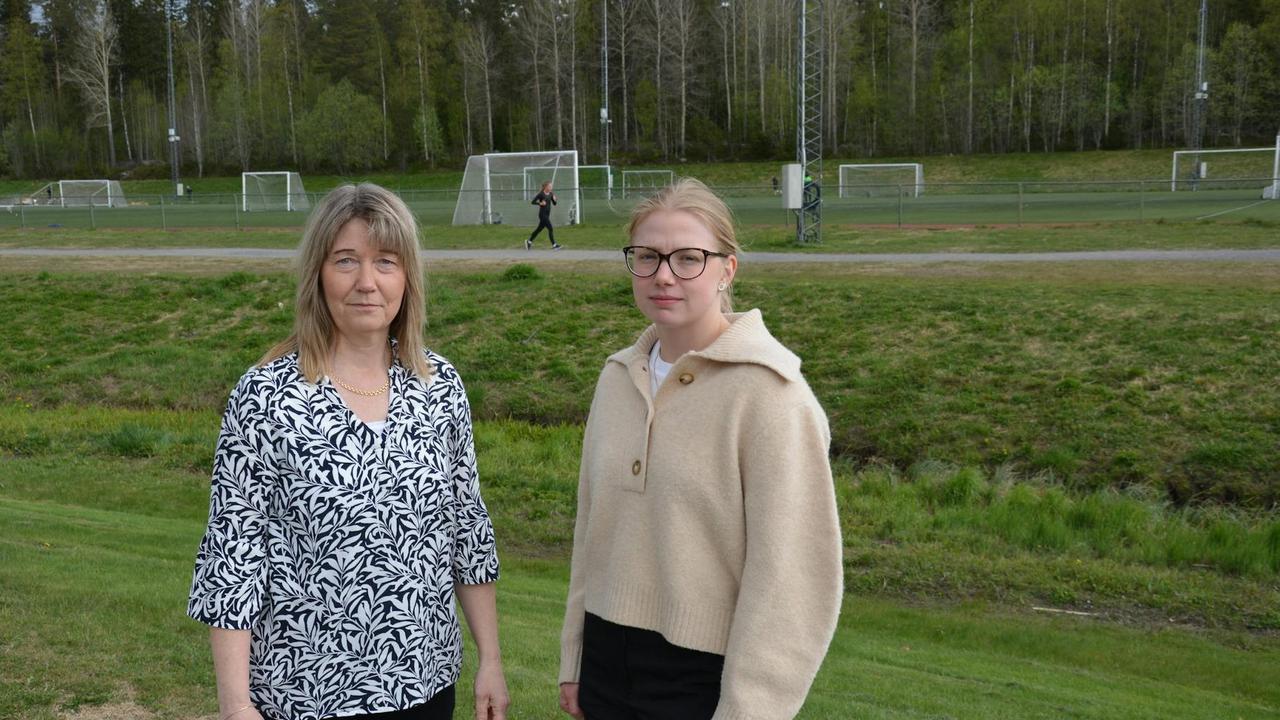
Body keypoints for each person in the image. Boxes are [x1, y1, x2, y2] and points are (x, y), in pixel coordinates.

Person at [188, 183, 509, 720]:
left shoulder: (439, 386)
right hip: (306, 694)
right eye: (346, 261)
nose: (367, 282)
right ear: (318, 272)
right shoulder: (268, 396)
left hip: (426, 685)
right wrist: (234, 703)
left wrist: (491, 660)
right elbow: (233, 557)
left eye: (386, 262)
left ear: (407, 277)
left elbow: (467, 530)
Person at [557, 178, 842, 720]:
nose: (664, 275)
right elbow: (591, 530)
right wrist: (575, 658)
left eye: (689, 258)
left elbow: (791, 579)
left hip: (703, 679)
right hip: (605, 664)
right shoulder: (616, 378)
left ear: (726, 269)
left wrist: (747, 709)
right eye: (647, 257)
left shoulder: (772, 396)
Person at [526, 180, 562, 250]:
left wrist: (555, 200)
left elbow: (554, 204)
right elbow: (532, 202)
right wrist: (540, 203)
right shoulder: (541, 194)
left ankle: (529, 241)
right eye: (550, 186)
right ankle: (554, 245)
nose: (551, 187)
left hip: (547, 214)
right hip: (542, 215)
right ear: (546, 187)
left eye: (551, 186)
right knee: (550, 228)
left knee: (538, 230)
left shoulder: (551, 194)